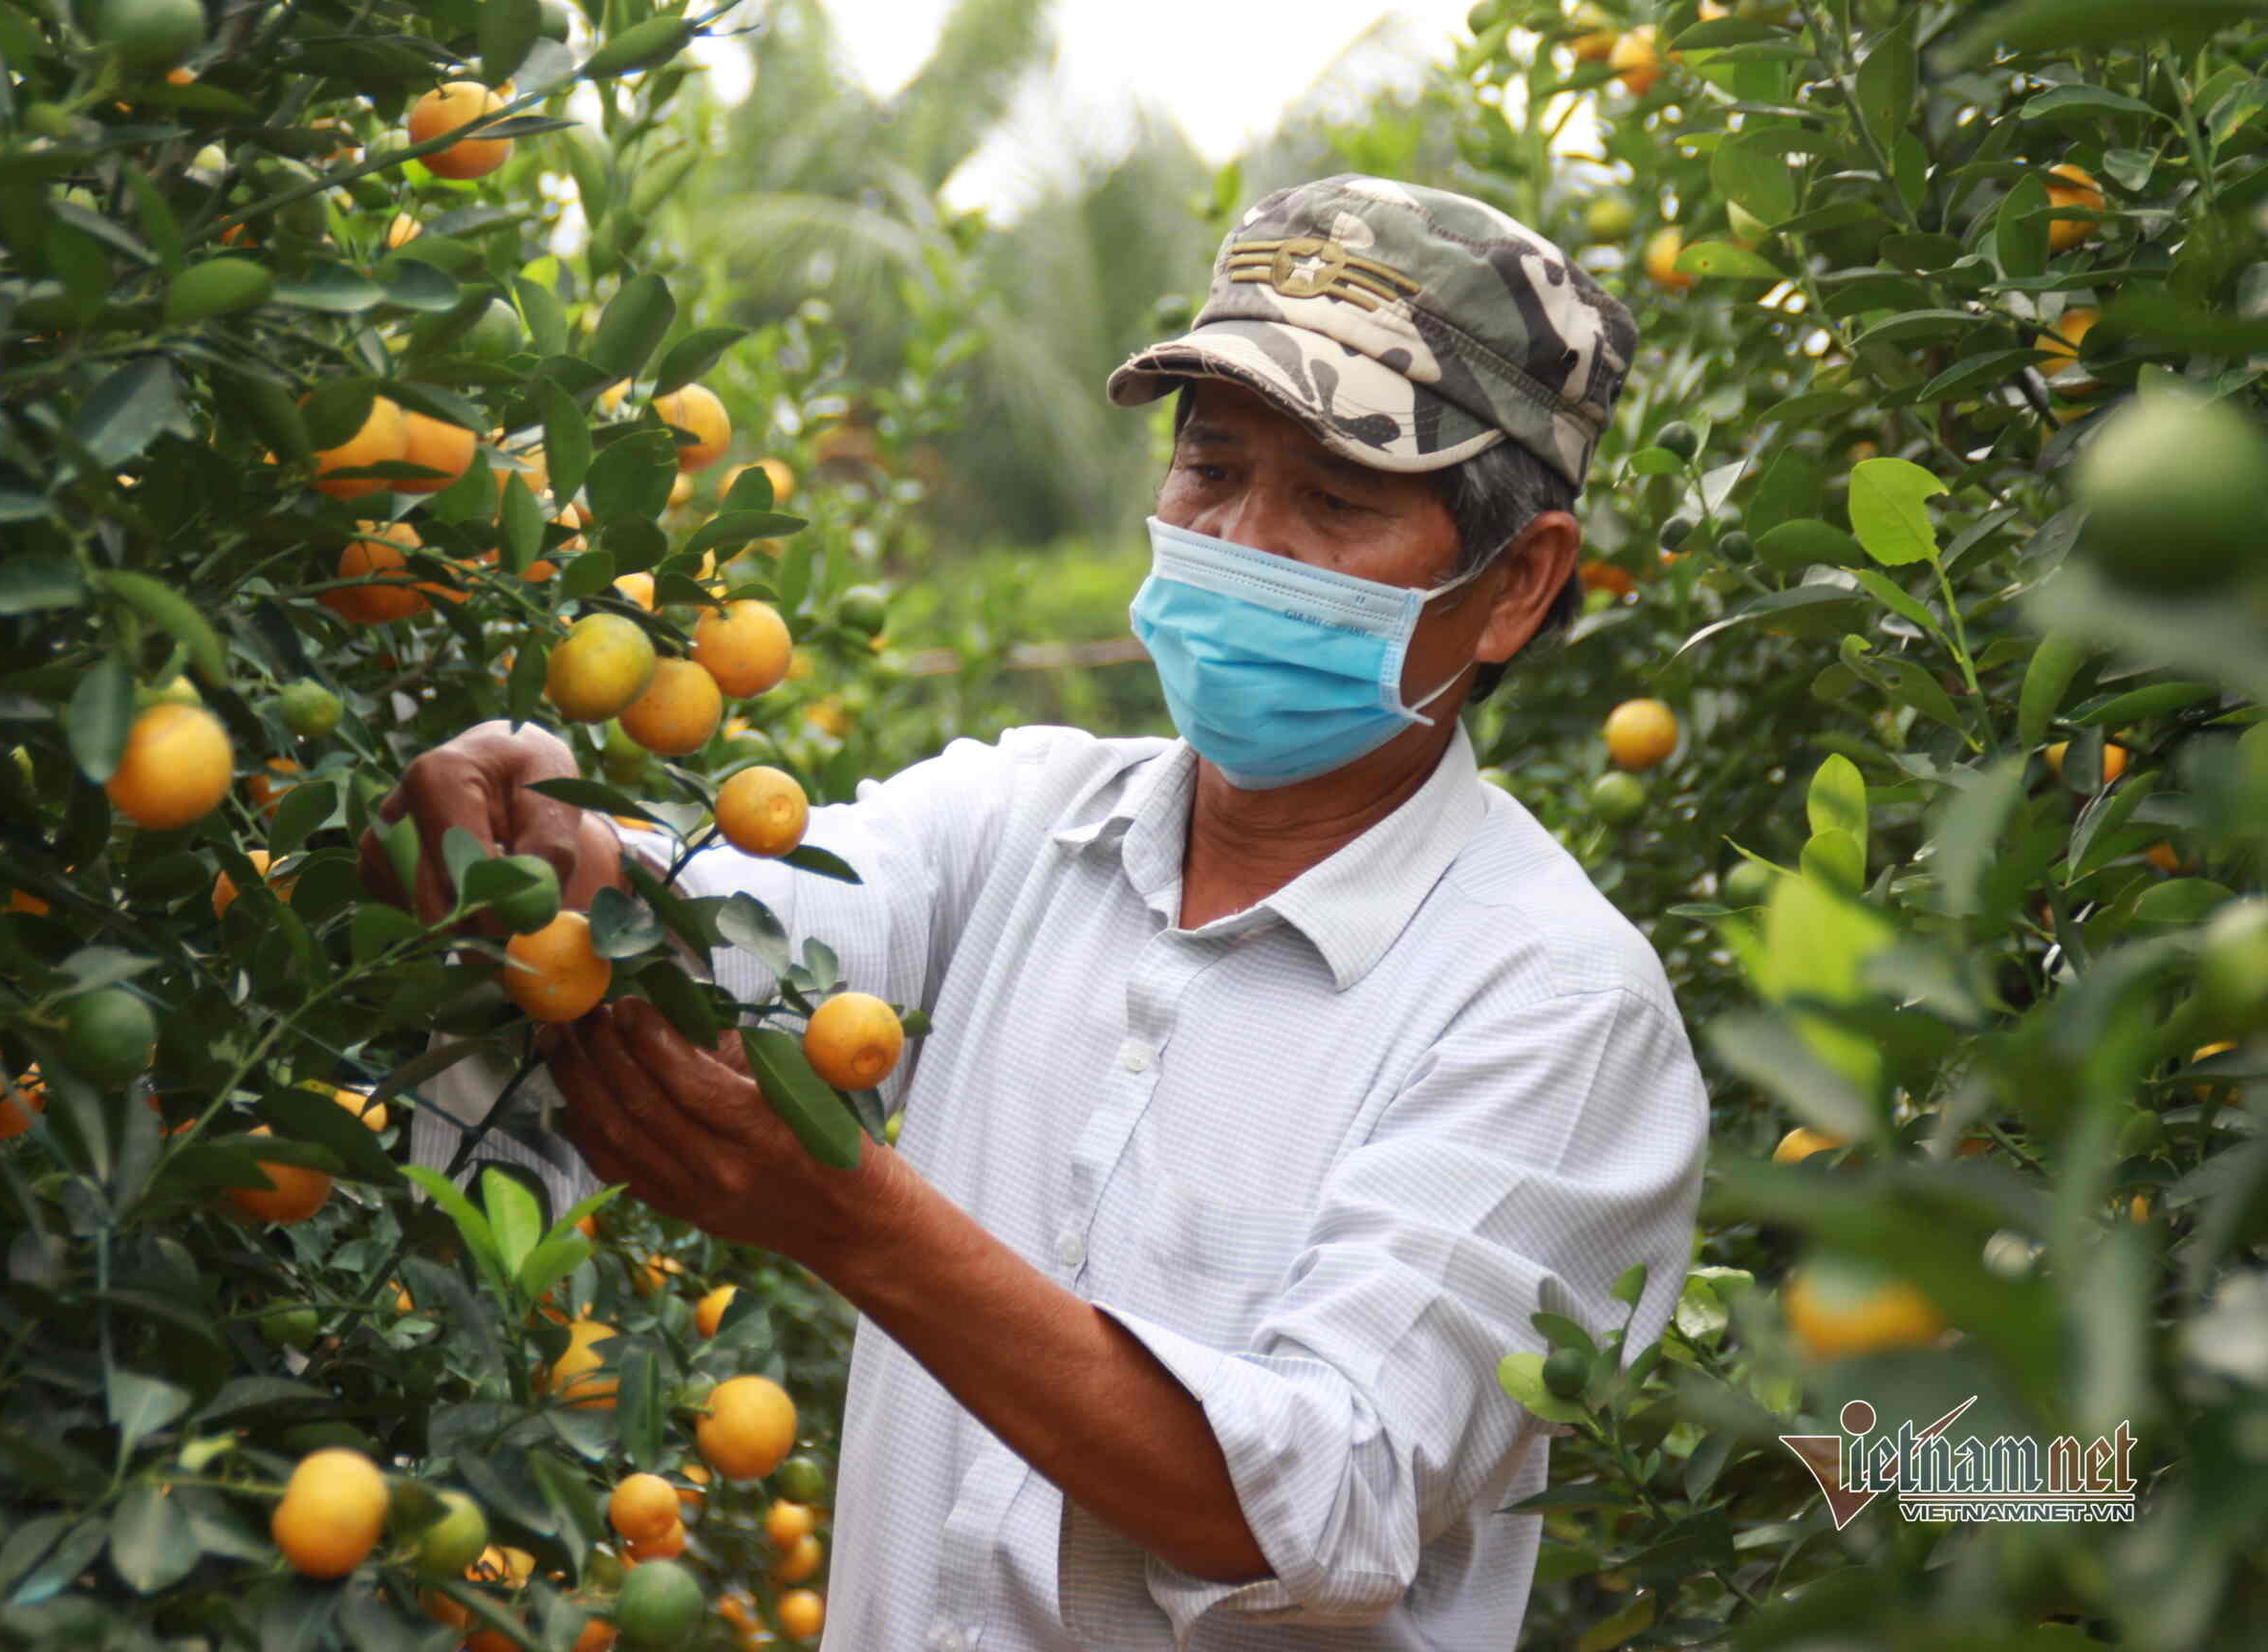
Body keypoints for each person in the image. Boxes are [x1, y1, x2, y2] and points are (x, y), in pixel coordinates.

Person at [361, 175, 1707, 1649]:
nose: (1242, 539)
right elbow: (692, 930)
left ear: (1515, 586)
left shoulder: (1554, 1010)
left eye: (1334, 501)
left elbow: (1324, 1500)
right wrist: (538, 837)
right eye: (1211, 470)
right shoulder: (1023, 823)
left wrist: (858, 1225)